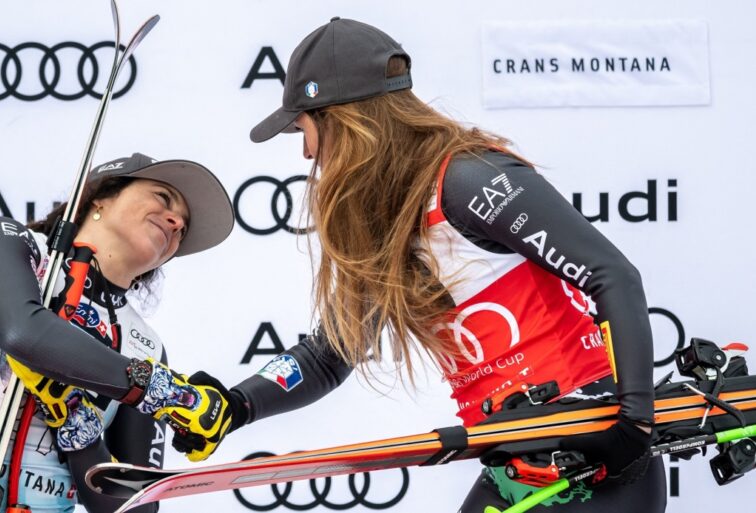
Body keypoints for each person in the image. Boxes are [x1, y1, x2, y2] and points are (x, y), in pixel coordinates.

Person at [156, 18, 664, 512]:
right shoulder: (391, 219)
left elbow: (611, 275)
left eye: (303, 129)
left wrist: (633, 425)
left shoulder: (467, 177)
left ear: (344, 120)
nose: (306, 152)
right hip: (517, 452)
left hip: (591, 443)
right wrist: (235, 407)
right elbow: (328, 354)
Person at [0, 153, 234, 513]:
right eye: (162, 197)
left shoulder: (146, 345)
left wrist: (78, 429)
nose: (174, 222)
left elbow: (133, 507)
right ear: (100, 198)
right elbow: (22, 333)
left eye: (182, 228)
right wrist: (165, 392)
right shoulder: (11, 242)